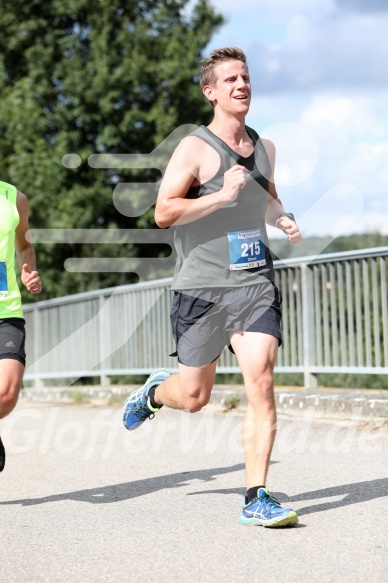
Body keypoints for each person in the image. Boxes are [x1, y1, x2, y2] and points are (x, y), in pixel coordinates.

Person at [123, 47, 302, 527]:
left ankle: (256, 496)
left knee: (261, 378)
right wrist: (221, 195)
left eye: (245, 77)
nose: (241, 85)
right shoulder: (195, 148)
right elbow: (164, 213)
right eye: (230, 80)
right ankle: (157, 393)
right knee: (196, 397)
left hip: (253, 283)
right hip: (201, 287)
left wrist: (281, 217)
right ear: (210, 93)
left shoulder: (265, 148)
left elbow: (268, 198)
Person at [0, 180, 42, 473]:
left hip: (6, 309)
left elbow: (24, 246)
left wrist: (29, 273)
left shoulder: (15, 199)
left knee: (6, 392)